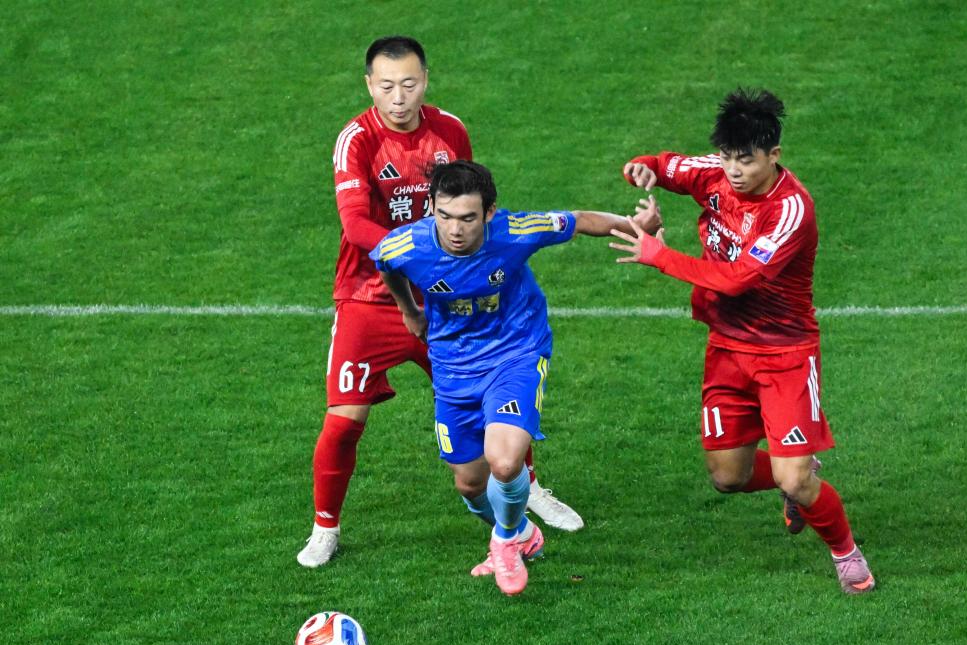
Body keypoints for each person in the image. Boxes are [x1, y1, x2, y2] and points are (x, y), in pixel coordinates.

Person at [298, 36, 582, 569]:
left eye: (409, 84)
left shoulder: (450, 130)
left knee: (497, 385)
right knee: (343, 419)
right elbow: (355, 225)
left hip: (449, 303)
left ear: (425, 80)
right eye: (387, 86)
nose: (398, 97)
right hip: (369, 298)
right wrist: (420, 255)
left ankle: (529, 490)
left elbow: (467, 200)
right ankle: (325, 528)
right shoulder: (356, 140)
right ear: (369, 86)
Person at [610, 88, 875, 595]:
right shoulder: (715, 170)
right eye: (728, 157)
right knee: (727, 477)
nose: (733, 170)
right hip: (727, 349)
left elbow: (737, 279)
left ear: (774, 155)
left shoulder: (791, 209)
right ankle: (794, 474)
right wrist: (640, 169)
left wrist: (658, 255)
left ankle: (845, 552)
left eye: (746, 161)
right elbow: (664, 165)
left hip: (785, 355)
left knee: (794, 479)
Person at [371, 160, 661, 595]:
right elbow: (386, 265)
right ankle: (522, 531)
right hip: (453, 367)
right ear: (430, 207)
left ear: (489, 213)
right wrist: (408, 310)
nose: (454, 229)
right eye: (444, 216)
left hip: (516, 353)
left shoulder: (514, 232)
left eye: (468, 218)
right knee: (470, 483)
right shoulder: (407, 245)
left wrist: (635, 225)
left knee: (505, 463)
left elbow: (579, 220)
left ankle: (504, 543)